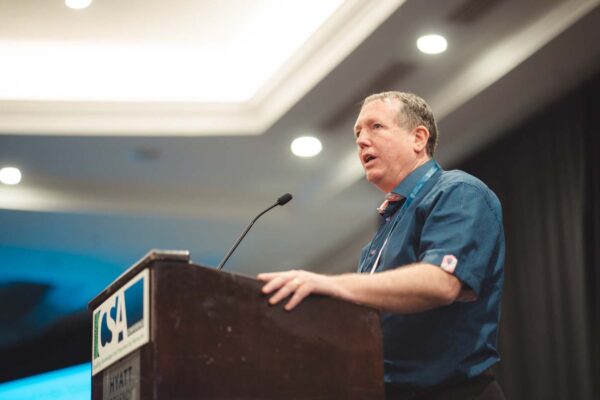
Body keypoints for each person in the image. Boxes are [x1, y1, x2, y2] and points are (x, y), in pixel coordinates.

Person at [257, 92, 505, 399]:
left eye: (376, 127)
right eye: (357, 133)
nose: (362, 141)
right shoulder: (388, 224)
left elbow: (441, 282)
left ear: (418, 138)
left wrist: (331, 284)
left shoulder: (458, 191)